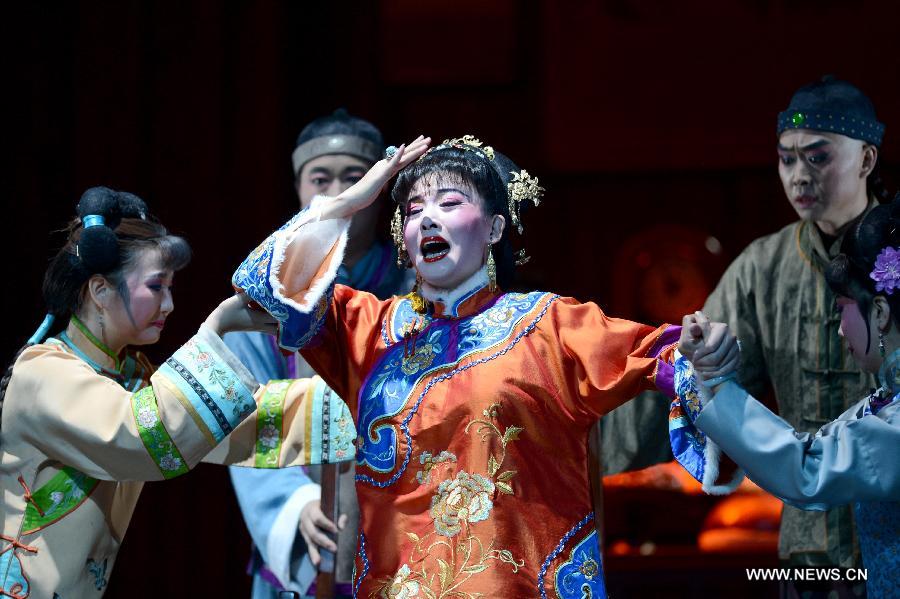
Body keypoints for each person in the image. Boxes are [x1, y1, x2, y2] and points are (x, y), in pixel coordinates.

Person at [232, 134, 738, 597]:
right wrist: (350, 202)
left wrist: (704, 353)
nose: (428, 219)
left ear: (495, 227)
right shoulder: (365, 328)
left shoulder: (550, 324)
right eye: (414, 210)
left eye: (450, 203)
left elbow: (666, 356)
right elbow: (261, 284)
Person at [0, 187, 352, 597]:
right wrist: (217, 328)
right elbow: (147, 435)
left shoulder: (126, 374)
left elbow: (229, 423)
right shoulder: (43, 374)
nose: (168, 304)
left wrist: (355, 400)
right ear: (99, 290)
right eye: (156, 287)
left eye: (170, 288)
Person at [701, 76, 889, 590]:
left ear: (866, 160)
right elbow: (702, 378)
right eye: (787, 159)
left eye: (817, 157)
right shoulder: (763, 267)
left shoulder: (893, 250)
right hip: (808, 551)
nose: (799, 176)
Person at [226, 109, 412, 598]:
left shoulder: (416, 290)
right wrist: (295, 503)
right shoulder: (268, 300)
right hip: (312, 525)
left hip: (405, 524)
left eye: (354, 178)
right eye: (320, 179)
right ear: (298, 188)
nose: (337, 193)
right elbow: (246, 414)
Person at [678, 197, 900, 598]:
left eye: (844, 308)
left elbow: (806, 468)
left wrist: (716, 385)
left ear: (880, 313)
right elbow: (811, 449)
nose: (841, 329)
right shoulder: (887, 398)